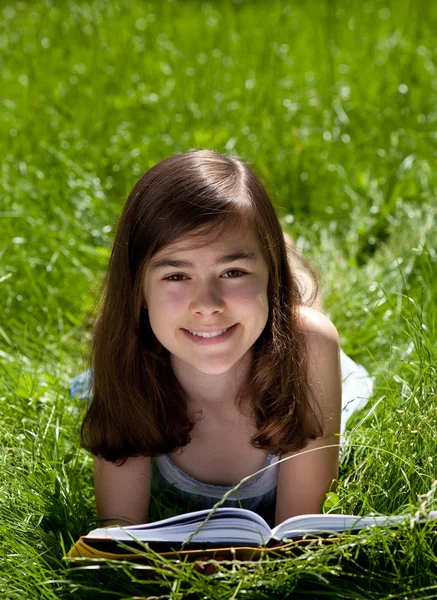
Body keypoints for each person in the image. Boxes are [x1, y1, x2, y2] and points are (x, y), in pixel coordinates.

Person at [76, 149, 372, 529]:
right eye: (176, 276)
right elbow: (119, 537)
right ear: (138, 291)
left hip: (284, 336)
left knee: (301, 310)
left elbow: (299, 537)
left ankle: (285, 258)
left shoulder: (309, 348)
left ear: (269, 275)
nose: (207, 305)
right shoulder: (123, 346)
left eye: (232, 271)